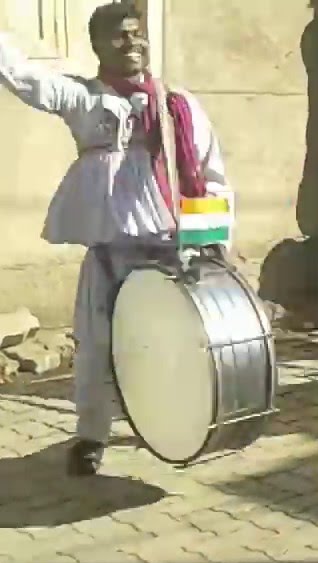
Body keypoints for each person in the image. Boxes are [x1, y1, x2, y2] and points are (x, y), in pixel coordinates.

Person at [0, 4, 233, 476]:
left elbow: (209, 174)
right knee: (94, 343)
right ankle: (91, 435)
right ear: (98, 47)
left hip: (170, 247)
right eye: (120, 37)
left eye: (137, 34)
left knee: (171, 341)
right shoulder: (85, 99)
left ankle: (172, 423)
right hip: (110, 254)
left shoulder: (178, 106)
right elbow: (25, 78)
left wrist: (213, 243)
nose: (133, 44)